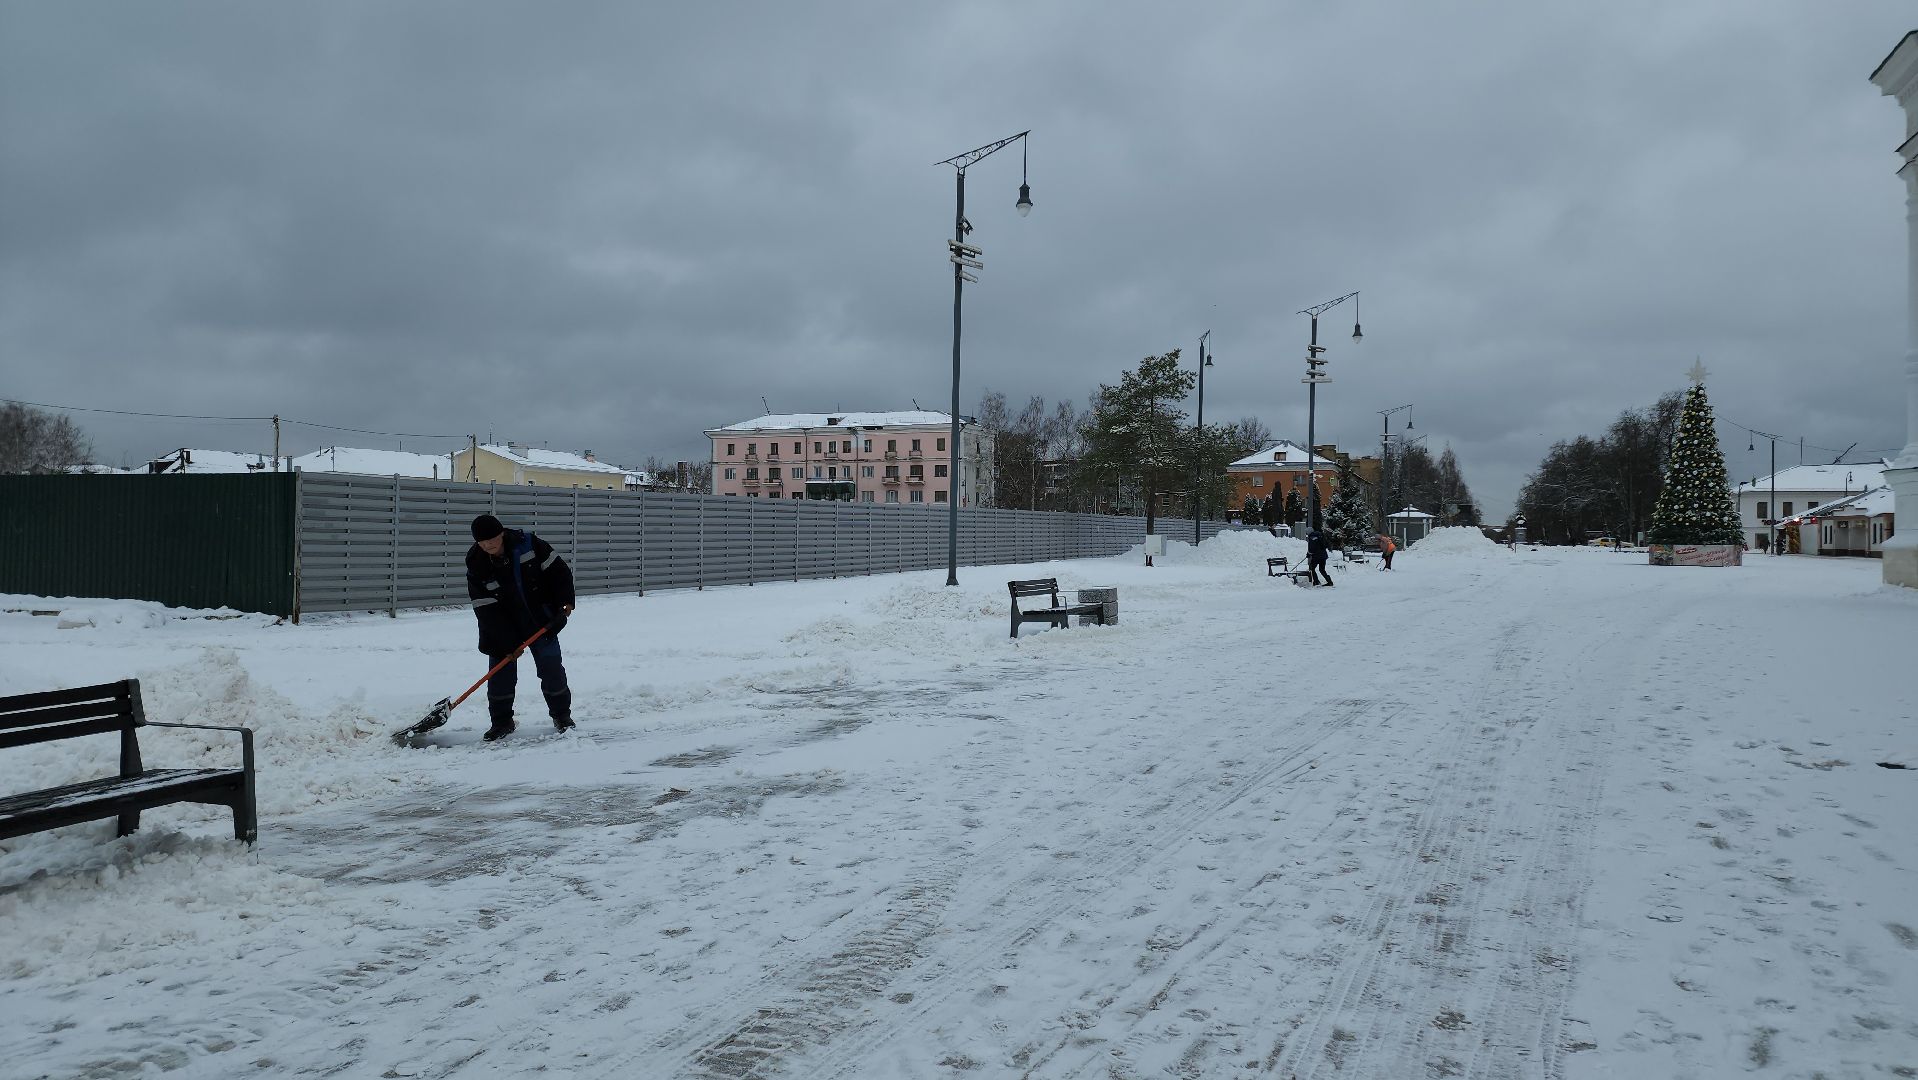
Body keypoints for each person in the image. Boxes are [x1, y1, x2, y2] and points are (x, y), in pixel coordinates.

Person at [466, 513, 576, 740]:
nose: (488, 545)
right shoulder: (477, 564)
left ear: (501, 533)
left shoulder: (528, 544)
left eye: (492, 539)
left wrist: (566, 600)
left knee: (551, 668)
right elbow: (485, 609)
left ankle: (562, 716)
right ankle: (501, 722)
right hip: (500, 625)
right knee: (500, 675)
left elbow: (558, 572)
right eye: (482, 541)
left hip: (539, 619)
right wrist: (507, 644)